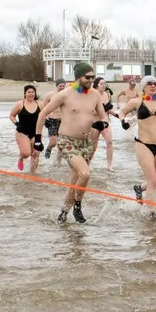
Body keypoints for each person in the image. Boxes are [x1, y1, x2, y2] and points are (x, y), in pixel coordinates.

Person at [36, 62, 103, 223]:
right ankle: (78, 206)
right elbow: (43, 113)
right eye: (88, 77)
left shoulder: (94, 95)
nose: (91, 80)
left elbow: (103, 115)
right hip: (67, 140)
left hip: (85, 142)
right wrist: (38, 139)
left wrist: (104, 123)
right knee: (85, 173)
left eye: (93, 77)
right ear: (78, 77)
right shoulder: (65, 94)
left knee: (76, 180)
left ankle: (63, 213)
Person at [127, 77, 156, 213]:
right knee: (152, 181)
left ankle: (139, 188)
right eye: (149, 83)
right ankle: (151, 214)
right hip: (144, 145)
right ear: (143, 87)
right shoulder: (137, 102)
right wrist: (125, 121)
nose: (153, 85)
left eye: (155, 83)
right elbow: (123, 112)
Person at [7, 84, 41, 173]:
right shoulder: (20, 104)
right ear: (25, 93)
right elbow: (11, 116)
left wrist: (48, 121)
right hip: (22, 132)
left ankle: (33, 174)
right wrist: (17, 123)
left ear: (35, 93)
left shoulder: (40, 104)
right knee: (26, 153)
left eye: (32, 92)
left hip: (35, 133)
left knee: (36, 153)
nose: (31, 94)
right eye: (29, 92)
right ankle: (21, 157)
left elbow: (45, 115)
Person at [90, 76, 115, 170]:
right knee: (93, 146)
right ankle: (87, 163)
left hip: (105, 122)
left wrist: (117, 115)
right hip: (94, 123)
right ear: (96, 85)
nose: (103, 85)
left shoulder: (106, 95)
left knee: (109, 141)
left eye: (105, 84)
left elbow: (109, 109)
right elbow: (90, 110)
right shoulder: (92, 94)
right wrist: (102, 110)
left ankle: (109, 165)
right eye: (101, 84)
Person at [43, 80, 65, 158]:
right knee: (53, 142)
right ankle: (49, 148)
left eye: (63, 86)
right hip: (52, 120)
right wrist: (45, 118)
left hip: (63, 121)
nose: (62, 87)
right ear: (56, 86)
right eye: (60, 86)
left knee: (62, 144)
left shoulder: (66, 95)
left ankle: (58, 163)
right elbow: (43, 107)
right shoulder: (50, 95)